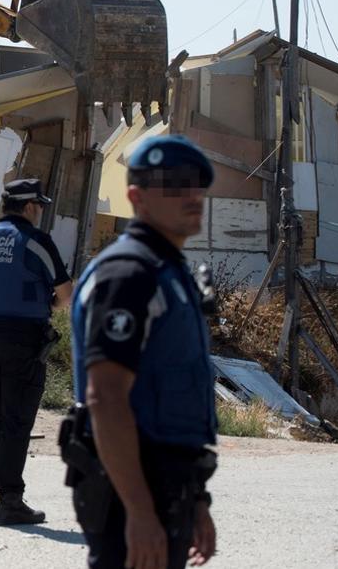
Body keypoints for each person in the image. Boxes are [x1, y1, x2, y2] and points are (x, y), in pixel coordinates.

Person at [67, 134, 219, 568]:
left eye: (197, 184)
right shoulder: (129, 273)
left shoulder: (168, 273)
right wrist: (137, 510)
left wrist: (197, 500)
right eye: (173, 185)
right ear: (137, 197)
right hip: (131, 488)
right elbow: (106, 397)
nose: (192, 195)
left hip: (168, 485)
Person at [0, 178, 73, 525]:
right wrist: (45, 305)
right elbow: (64, 294)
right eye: (40, 206)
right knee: (16, 420)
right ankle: (10, 500)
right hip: (22, 339)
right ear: (30, 206)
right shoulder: (37, 242)